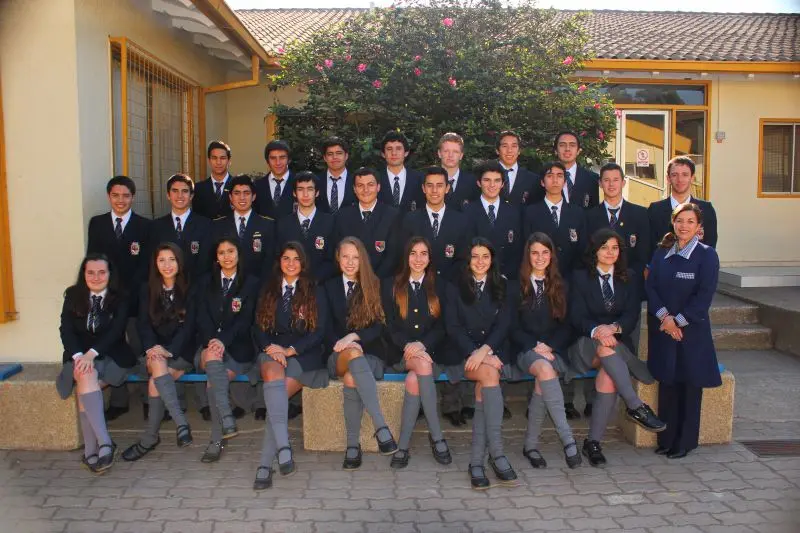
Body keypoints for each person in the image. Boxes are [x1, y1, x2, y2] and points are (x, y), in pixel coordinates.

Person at [569, 229, 666, 467]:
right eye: (604, 247)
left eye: (614, 248)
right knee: (604, 347)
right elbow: (576, 316)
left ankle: (592, 443)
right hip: (583, 344)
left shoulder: (630, 276)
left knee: (609, 374)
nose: (610, 252)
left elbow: (631, 315)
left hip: (613, 343)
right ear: (594, 251)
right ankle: (635, 406)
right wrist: (598, 331)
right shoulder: (579, 277)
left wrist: (613, 328)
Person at [251, 242, 329, 489]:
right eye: (286, 258)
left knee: (277, 399)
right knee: (274, 379)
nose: (291, 263)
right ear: (280, 262)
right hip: (272, 352)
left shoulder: (315, 290)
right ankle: (283, 448)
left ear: (303, 263)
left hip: (302, 356)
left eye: (296, 259)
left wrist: (291, 350)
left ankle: (264, 464)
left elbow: (319, 331)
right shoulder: (269, 289)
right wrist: (270, 348)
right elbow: (257, 327)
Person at [646, 203, 721, 459]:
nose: (684, 226)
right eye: (680, 221)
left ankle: (685, 442)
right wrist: (665, 318)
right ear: (673, 223)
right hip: (665, 330)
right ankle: (666, 439)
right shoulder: (661, 252)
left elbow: (703, 297)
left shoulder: (707, 255)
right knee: (667, 384)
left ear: (699, 227)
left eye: (690, 221)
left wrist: (677, 321)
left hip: (691, 333)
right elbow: (651, 288)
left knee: (689, 387)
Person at [445, 238, 518, 489]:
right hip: (461, 353)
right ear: (468, 260)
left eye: (485, 256)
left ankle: (477, 461)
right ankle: (496, 454)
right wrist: (474, 353)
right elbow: (453, 327)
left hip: (492, 352)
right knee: (489, 377)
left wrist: (485, 352)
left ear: (492, 259)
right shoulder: (454, 287)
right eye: (475, 256)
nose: (480, 262)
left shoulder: (504, 285)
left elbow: (504, 324)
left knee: (487, 380)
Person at [323, 237, 398, 469]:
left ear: (362, 259)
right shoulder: (327, 287)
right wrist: (346, 344)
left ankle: (352, 446)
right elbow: (322, 329)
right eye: (345, 256)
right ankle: (380, 425)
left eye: (355, 257)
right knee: (353, 357)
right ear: (338, 258)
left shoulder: (374, 285)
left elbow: (381, 326)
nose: (350, 262)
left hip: (371, 356)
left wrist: (355, 338)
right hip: (337, 355)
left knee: (351, 377)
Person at [56, 254, 135, 473]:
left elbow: (116, 331)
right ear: (84, 274)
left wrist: (92, 353)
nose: (96, 277)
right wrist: (80, 356)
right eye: (90, 272)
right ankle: (104, 444)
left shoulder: (121, 297)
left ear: (110, 274)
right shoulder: (73, 295)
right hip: (78, 357)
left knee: (84, 385)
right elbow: (66, 330)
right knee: (85, 375)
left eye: (102, 272)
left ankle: (92, 449)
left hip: (111, 355)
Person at [511, 233, 581, 469]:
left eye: (544, 252)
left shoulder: (562, 285)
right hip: (525, 350)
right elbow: (511, 326)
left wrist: (549, 346)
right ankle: (568, 439)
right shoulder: (515, 285)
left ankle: (530, 445)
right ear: (527, 256)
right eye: (534, 253)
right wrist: (535, 345)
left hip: (554, 350)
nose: (539, 258)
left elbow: (568, 325)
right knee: (544, 369)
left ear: (551, 256)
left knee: (544, 376)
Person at [381, 237, 452, 469]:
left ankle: (403, 446)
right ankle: (437, 437)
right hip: (399, 355)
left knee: (415, 380)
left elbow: (444, 326)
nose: (418, 259)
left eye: (423, 254)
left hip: (431, 354)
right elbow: (388, 325)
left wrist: (422, 345)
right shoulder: (391, 285)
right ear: (406, 257)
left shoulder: (441, 286)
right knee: (420, 368)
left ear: (430, 258)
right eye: (413, 253)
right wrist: (408, 345)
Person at [122, 243, 196, 462]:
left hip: (182, 351)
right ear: (155, 263)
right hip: (155, 350)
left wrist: (168, 350)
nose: (167, 265)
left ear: (180, 262)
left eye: (172, 259)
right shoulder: (147, 288)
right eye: (162, 260)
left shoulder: (191, 287)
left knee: (156, 379)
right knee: (157, 370)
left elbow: (190, 327)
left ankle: (151, 438)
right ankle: (179, 424)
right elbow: (143, 325)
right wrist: (153, 347)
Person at [87, 175, 151, 421]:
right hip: (106, 299)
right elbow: (93, 259)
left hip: (135, 298)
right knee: (113, 347)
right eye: (116, 195)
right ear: (109, 197)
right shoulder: (98, 224)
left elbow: (146, 265)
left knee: (140, 346)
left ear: (132, 197)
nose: (121, 200)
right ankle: (119, 400)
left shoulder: (145, 226)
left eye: (125, 195)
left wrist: (130, 291)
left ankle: (148, 398)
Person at [194, 237, 260, 463]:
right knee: (212, 359)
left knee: (214, 384)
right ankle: (225, 421)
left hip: (238, 348)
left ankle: (216, 439)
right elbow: (200, 318)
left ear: (239, 254)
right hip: (209, 346)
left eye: (231, 251)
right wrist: (213, 341)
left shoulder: (251, 282)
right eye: (221, 252)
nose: (226, 257)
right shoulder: (204, 282)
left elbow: (246, 320)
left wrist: (223, 340)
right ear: (216, 257)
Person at [401, 167, 471, 282]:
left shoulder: (461, 220)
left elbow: (464, 258)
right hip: (419, 284)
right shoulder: (410, 219)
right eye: (429, 185)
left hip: (451, 285)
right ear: (423, 188)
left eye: (439, 185)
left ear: (447, 188)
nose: (434, 190)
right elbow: (404, 255)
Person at [523, 161, 587, 278]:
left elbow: (582, 249)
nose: (555, 180)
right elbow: (526, 247)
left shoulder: (577, 212)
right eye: (550, 176)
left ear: (565, 181)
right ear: (542, 182)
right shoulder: (530, 212)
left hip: (570, 278)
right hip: (540, 277)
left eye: (559, 176)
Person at [334, 167, 401, 278]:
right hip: (351, 280)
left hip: (381, 282)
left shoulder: (392, 215)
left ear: (378, 187)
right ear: (354, 189)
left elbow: (393, 256)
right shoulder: (342, 216)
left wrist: (373, 280)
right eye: (360, 186)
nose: (366, 190)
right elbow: (337, 252)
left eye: (370, 185)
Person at [464, 161, 523, 281]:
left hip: (506, 279)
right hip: (474, 279)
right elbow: (463, 248)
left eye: (497, 180)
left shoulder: (514, 212)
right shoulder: (466, 211)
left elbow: (518, 249)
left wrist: (507, 275)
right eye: (487, 180)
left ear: (502, 184)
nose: (492, 185)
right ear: (479, 183)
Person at [648, 156, 718, 256]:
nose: (679, 179)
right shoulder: (655, 210)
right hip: (663, 269)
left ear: (692, 178)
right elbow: (649, 246)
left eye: (685, 175)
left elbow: (710, 245)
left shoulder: (706, 209)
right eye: (674, 175)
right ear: (668, 178)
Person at [149, 174, 213, 283]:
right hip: (166, 289)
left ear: (191, 195)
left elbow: (206, 263)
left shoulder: (206, 225)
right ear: (168, 195)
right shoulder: (156, 226)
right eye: (175, 191)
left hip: (196, 289)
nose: (180, 196)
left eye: (184, 191)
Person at [277, 172, 336, 283]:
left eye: (310, 189)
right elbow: (278, 257)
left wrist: (314, 280)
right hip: (291, 284)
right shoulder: (283, 223)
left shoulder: (330, 221)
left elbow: (333, 259)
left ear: (317, 192)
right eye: (300, 189)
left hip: (320, 285)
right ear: (294, 193)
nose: (305, 194)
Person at [213, 175, 276, 281]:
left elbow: (270, 263)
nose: (242, 197)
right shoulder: (217, 225)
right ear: (230, 197)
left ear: (254, 196)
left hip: (257, 288)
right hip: (227, 287)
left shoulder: (267, 225)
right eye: (237, 193)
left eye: (246, 193)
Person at [377, 131, 425, 213]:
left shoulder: (420, 179)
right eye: (389, 149)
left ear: (406, 152)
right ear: (383, 154)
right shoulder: (374, 179)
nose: (394, 153)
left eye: (398, 148)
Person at [554, 131, 600, 209]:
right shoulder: (544, 178)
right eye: (562, 145)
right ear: (555, 150)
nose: (567, 149)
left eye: (572, 145)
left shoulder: (593, 179)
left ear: (578, 151)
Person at [496, 130, 542, 206]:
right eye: (505, 146)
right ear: (497, 150)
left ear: (519, 150)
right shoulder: (484, 176)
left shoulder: (533, 179)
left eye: (514, 146)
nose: (509, 150)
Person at [254, 140, 296, 220]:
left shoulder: (299, 183)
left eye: (282, 157)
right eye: (273, 158)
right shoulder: (257, 186)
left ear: (289, 160)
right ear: (267, 161)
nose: (278, 162)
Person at [437, 132, 478, 211]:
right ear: (439, 153)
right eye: (446, 151)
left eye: (455, 152)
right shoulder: (426, 180)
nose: (450, 155)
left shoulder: (473, 182)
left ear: (461, 155)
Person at [193, 141, 233, 220]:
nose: (218, 162)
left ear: (229, 161)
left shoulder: (238, 186)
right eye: (214, 158)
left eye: (222, 158)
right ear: (209, 161)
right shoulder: (198, 188)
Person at [316, 137, 356, 214]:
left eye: (339, 153)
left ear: (346, 156)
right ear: (325, 158)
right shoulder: (316, 181)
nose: (335, 157)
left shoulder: (356, 180)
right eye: (330, 154)